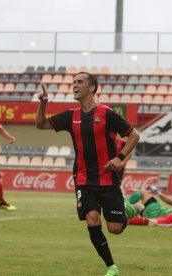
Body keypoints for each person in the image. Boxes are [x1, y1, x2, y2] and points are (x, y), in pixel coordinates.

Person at [36, 72, 140, 276]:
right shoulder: (70, 116)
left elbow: (134, 135)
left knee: (115, 229)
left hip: (107, 178)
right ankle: (111, 267)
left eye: (79, 82)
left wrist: (119, 157)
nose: (74, 85)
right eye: (73, 82)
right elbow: (41, 124)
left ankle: (125, 206)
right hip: (83, 179)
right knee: (92, 220)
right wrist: (43, 104)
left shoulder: (107, 114)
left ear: (91, 88)